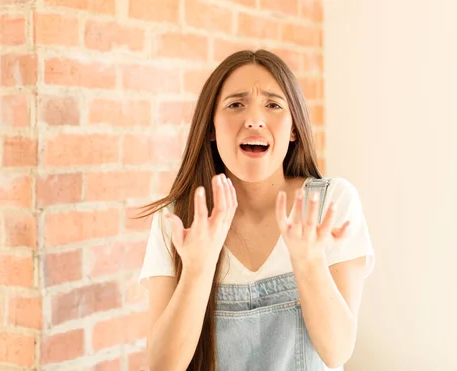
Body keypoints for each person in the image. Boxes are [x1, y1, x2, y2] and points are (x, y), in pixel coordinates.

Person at [137, 49, 375, 371]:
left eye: (273, 105)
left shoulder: (330, 204)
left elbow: (337, 351)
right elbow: (162, 367)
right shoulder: (178, 221)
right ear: (211, 127)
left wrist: (309, 262)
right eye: (236, 104)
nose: (254, 119)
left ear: (293, 129)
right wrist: (198, 269)